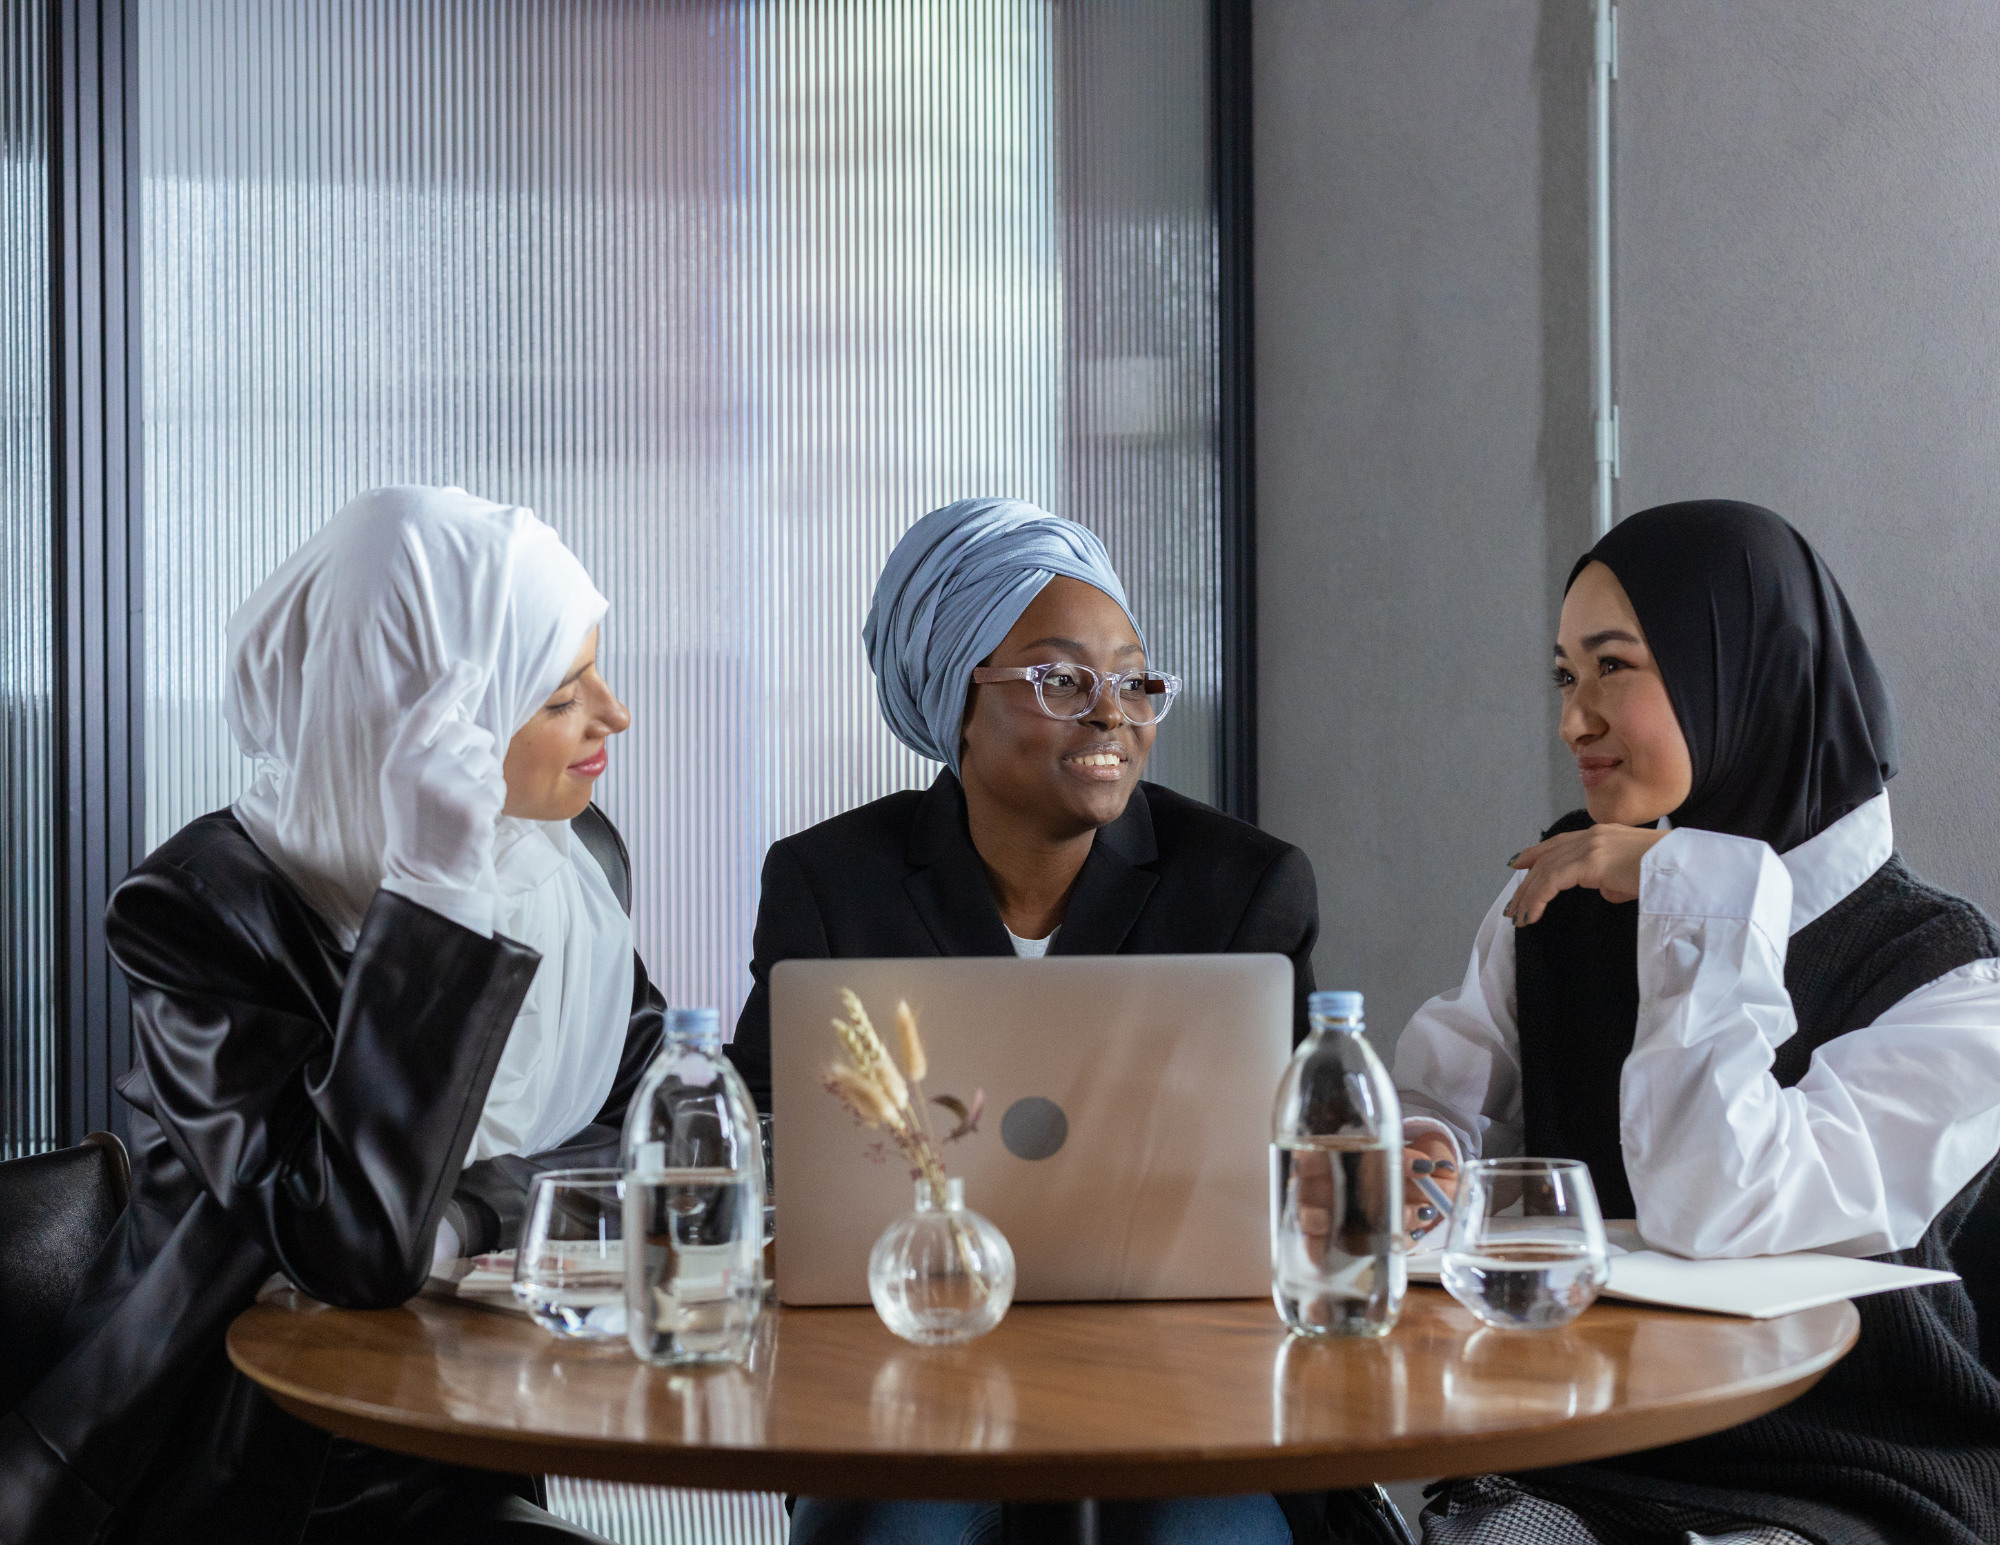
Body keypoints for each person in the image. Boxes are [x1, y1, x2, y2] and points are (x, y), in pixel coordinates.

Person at [0, 486, 661, 1544]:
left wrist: (469, 1216)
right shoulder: (200, 912)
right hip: (238, 1470)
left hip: (466, 1428)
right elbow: (353, 1242)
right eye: (558, 694)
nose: (613, 715)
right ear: (423, 722)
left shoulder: (569, 869)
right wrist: (436, 905)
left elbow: (646, 1124)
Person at [728, 497, 1390, 1545]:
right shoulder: (829, 882)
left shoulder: (1242, 885)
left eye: (1132, 679)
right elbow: (763, 1128)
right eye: (1060, 678)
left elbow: (1300, 1142)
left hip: (1184, 1384)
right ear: (955, 700)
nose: (1113, 714)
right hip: (906, 1375)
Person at [1393, 501, 2000, 1545]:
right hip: (1585, 1452)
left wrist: (1702, 889)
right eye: (1562, 675)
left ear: (1746, 677)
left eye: (1614, 668)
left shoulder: (1951, 979)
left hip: (1843, 1475)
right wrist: (1417, 1156)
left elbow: (1717, 1207)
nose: (1572, 720)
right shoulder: (1554, 895)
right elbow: (1443, 1119)